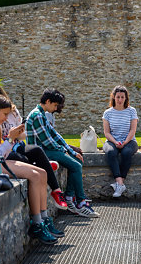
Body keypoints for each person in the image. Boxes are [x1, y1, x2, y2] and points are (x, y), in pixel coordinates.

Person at [0, 94, 63, 245]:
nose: (6, 119)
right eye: (4, 114)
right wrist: (10, 138)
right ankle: (37, 224)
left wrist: (12, 138)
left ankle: (43, 220)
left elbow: (0, 153)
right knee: (36, 176)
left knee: (42, 173)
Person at [0, 82, 68, 210]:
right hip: (1, 151)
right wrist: (9, 138)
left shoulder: (12, 111)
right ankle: (41, 166)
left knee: (36, 151)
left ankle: (56, 191)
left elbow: (23, 136)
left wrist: (17, 134)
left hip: (14, 146)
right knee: (21, 159)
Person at [25, 88, 99, 218]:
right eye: (54, 105)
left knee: (77, 161)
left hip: (46, 151)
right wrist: (66, 150)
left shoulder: (41, 114)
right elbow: (48, 142)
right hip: (41, 153)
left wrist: (70, 151)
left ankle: (70, 197)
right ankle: (80, 201)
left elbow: (55, 135)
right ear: (47, 101)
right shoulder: (37, 115)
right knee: (76, 165)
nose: (55, 108)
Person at [102, 85, 139, 198]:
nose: (120, 100)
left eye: (122, 97)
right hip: (112, 141)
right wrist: (115, 141)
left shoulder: (131, 111)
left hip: (129, 141)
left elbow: (133, 130)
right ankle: (120, 182)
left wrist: (125, 142)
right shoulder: (108, 113)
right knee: (111, 152)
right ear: (113, 97)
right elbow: (107, 132)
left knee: (126, 153)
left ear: (126, 98)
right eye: (118, 97)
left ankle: (119, 184)